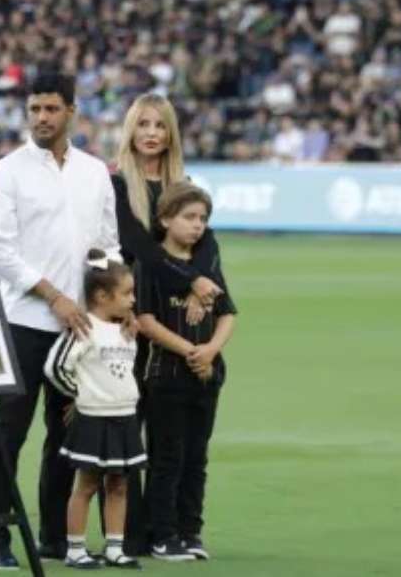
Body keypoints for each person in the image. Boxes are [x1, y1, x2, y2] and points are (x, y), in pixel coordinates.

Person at [0, 72, 121, 568]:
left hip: (78, 328)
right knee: (9, 431)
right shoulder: (7, 172)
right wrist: (55, 295)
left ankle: (54, 536)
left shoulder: (93, 171)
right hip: (23, 320)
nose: (42, 118)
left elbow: (107, 245)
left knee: (65, 436)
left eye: (51, 109)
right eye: (35, 109)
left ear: (71, 113)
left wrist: (109, 308)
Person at [111, 93, 222, 555]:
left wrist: (202, 288)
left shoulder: (184, 184)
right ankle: (136, 532)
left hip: (177, 323)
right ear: (131, 131)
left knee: (172, 440)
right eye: (143, 125)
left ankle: (170, 529)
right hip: (131, 320)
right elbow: (138, 247)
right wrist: (189, 279)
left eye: (160, 125)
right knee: (127, 431)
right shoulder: (118, 186)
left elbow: (208, 244)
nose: (152, 133)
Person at [136, 183, 238, 562]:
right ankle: (161, 534)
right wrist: (188, 349)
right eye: (189, 217)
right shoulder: (152, 264)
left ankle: (190, 531)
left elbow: (227, 312)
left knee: (197, 457)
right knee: (167, 456)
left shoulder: (206, 266)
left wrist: (211, 350)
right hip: (166, 376)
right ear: (165, 220)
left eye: (203, 219)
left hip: (207, 375)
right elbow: (145, 319)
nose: (198, 226)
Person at [44, 250, 145, 569]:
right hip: (93, 420)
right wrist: (81, 396)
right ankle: (75, 550)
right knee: (86, 485)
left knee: (119, 484)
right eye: (127, 293)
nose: (133, 300)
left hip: (125, 417)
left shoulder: (127, 329)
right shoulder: (84, 327)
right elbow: (56, 367)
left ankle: (115, 547)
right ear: (102, 296)